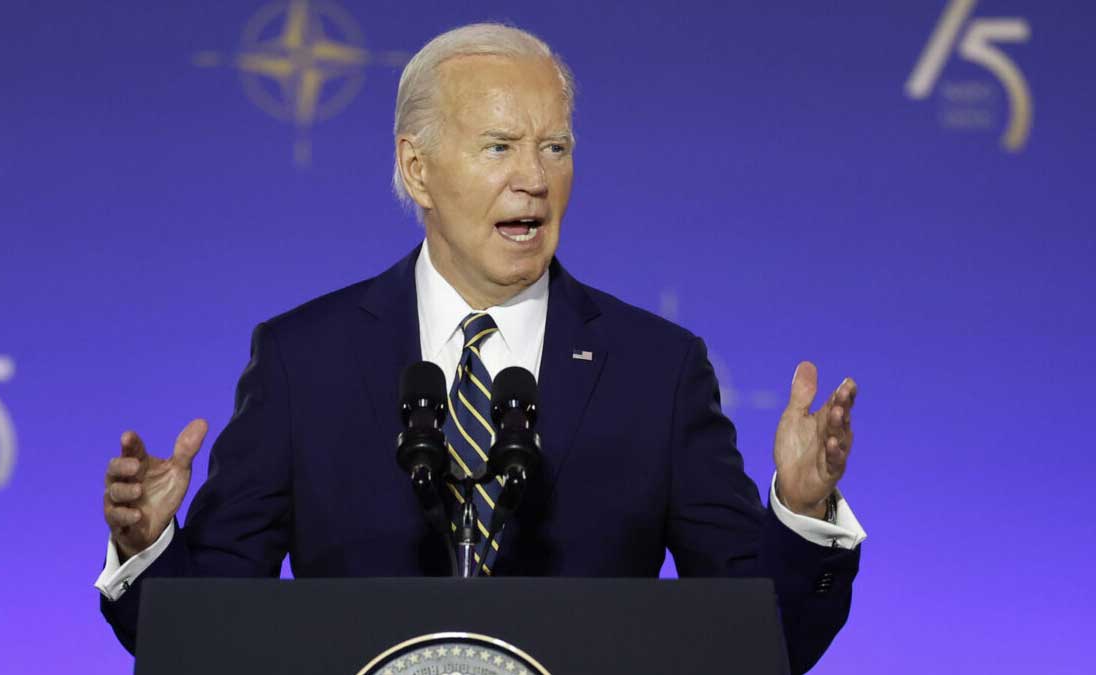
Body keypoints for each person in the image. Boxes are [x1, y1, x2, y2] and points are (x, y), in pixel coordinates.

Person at [96, 23, 866, 674]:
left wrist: (800, 511)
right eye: (500, 146)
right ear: (417, 167)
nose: (533, 178)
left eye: (555, 147)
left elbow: (766, 641)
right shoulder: (305, 361)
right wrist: (150, 547)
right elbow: (206, 643)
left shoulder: (656, 369)